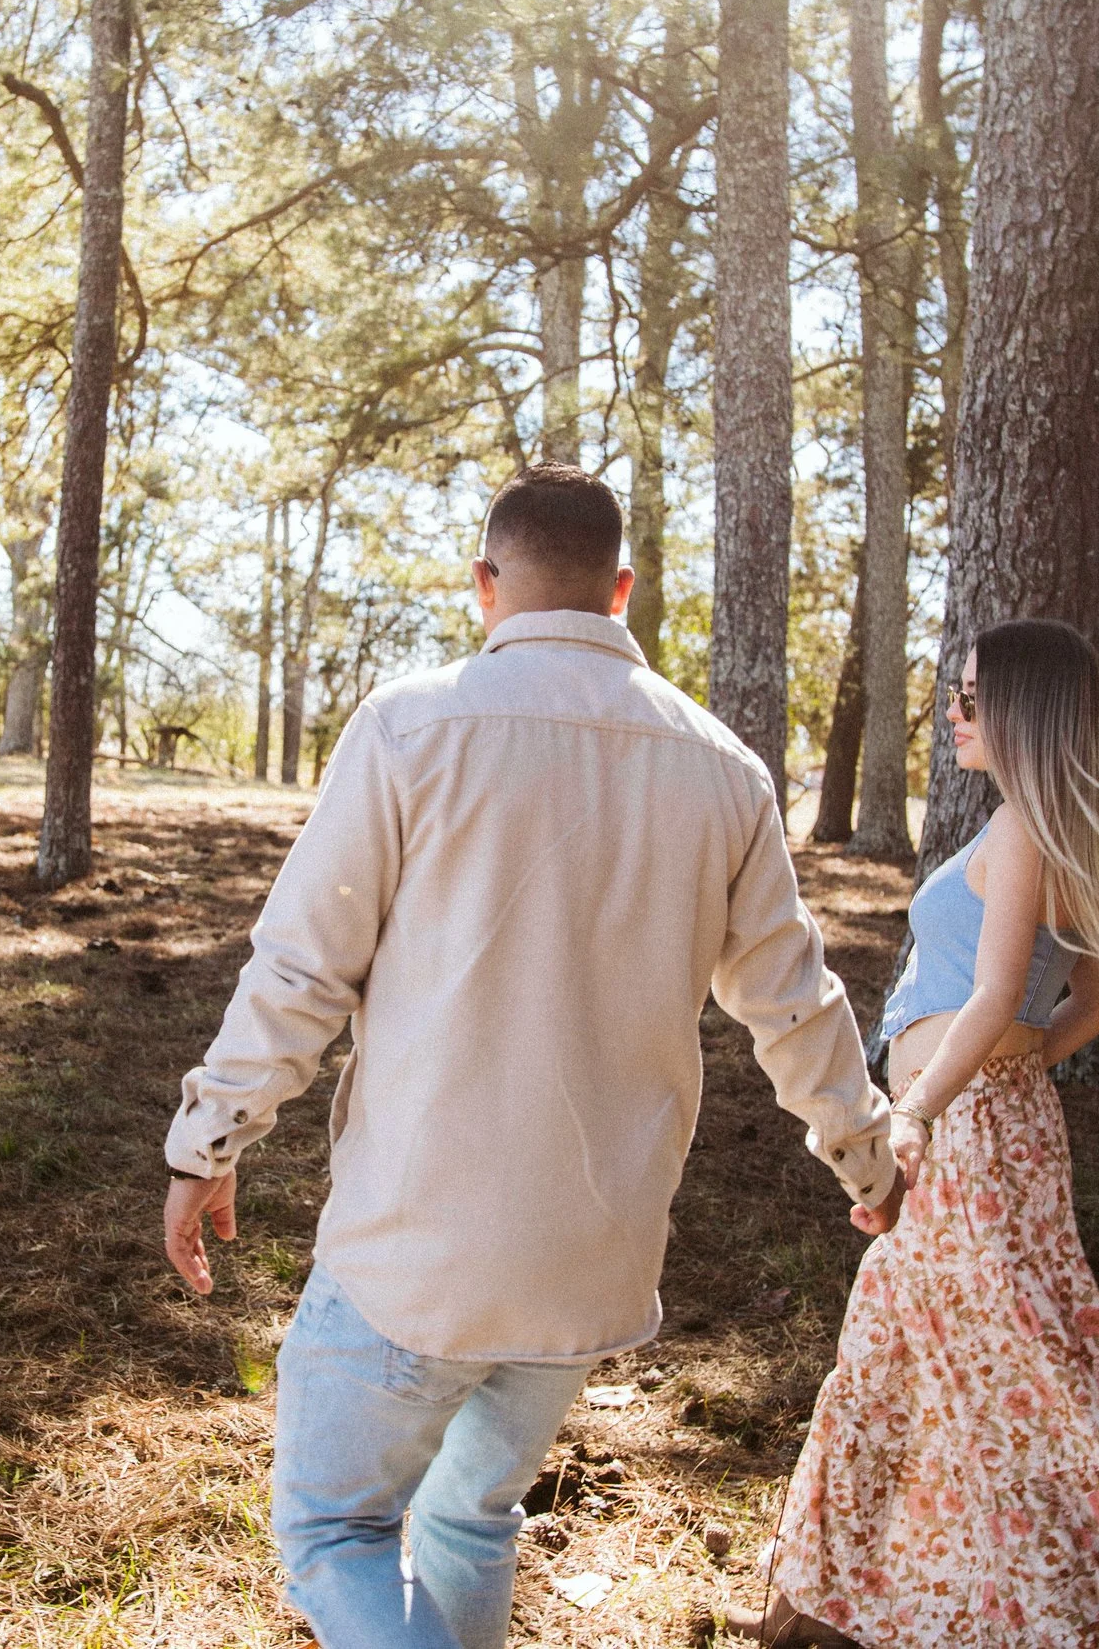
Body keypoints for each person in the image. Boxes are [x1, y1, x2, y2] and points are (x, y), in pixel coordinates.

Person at [161, 462, 906, 1649]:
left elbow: (304, 964)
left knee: (330, 1533)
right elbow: (795, 1001)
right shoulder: (723, 769)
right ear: (621, 589)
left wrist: (209, 1139)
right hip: (590, 1259)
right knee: (471, 1514)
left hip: (421, 1246)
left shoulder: (413, 725)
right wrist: (870, 1163)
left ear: (483, 584)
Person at [732, 618, 1099, 1648]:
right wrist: (1016, 1061)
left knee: (1002, 1362)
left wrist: (928, 1101)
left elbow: (1010, 992)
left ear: (1020, 710)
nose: (951, 713)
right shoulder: (1027, 828)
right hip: (975, 1123)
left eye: (968, 696)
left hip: (972, 1140)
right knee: (924, 1352)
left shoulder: (1031, 834)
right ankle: (881, 1594)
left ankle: (1039, 1608)